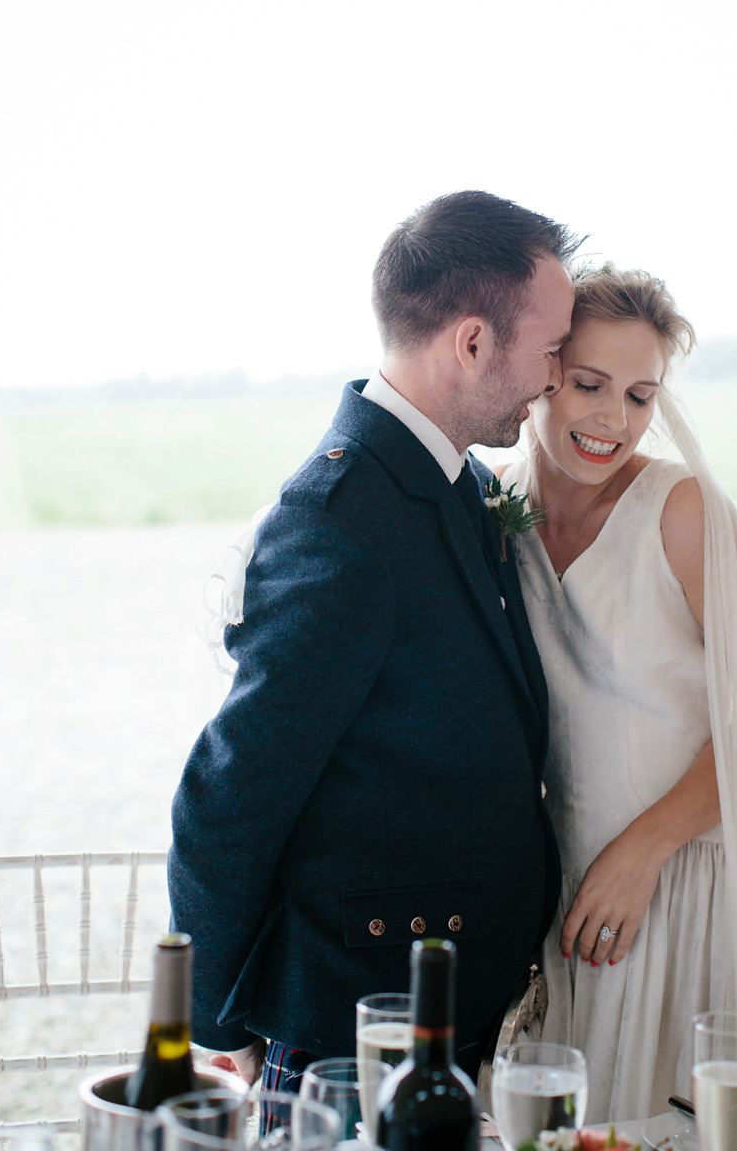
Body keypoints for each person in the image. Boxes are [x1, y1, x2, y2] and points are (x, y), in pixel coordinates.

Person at [168, 190, 579, 1091]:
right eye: (550, 352)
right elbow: (229, 796)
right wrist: (218, 1016)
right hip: (354, 1040)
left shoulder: (454, 479)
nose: (556, 378)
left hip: (445, 1011)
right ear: (472, 343)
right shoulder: (339, 525)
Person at [497, 264, 737, 1123]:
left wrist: (642, 852)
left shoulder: (679, 510)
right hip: (573, 896)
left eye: (641, 395)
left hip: (685, 885)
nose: (614, 419)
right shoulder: (499, 514)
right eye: (588, 385)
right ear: (541, 374)